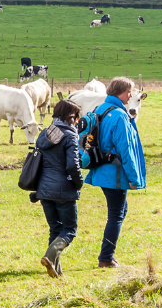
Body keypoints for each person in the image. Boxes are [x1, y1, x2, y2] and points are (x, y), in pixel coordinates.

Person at [82, 78, 147, 268]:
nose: (130, 96)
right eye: (129, 92)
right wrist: (134, 178)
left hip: (100, 168)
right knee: (116, 214)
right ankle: (106, 258)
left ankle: (108, 255)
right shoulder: (119, 115)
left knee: (120, 210)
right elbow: (125, 149)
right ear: (121, 91)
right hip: (115, 172)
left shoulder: (100, 109)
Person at [35, 99, 85, 277]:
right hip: (63, 189)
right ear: (72, 117)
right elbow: (73, 165)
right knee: (69, 230)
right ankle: (50, 255)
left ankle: (56, 270)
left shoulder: (45, 133)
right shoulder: (70, 135)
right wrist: (79, 183)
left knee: (55, 229)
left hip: (44, 189)